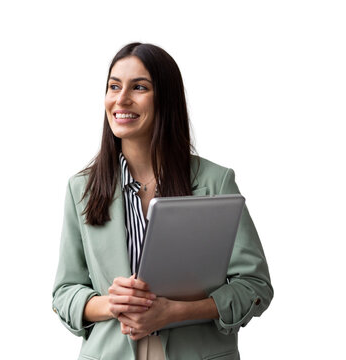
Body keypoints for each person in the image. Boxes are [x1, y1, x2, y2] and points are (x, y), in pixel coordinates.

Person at [52, 42, 273, 360]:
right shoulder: (81, 188)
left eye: (138, 87)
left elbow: (255, 286)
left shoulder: (216, 182)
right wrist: (112, 304)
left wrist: (175, 312)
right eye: (114, 86)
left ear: (166, 100)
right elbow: (64, 292)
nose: (121, 99)